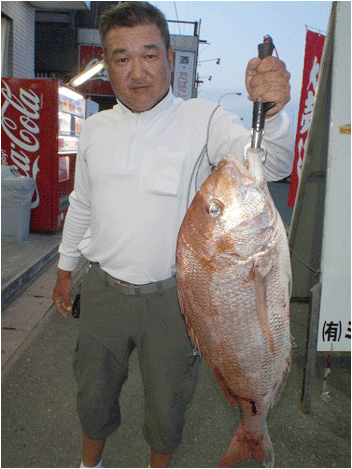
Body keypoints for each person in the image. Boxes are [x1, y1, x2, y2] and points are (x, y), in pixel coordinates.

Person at [52, 2, 293, 468]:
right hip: (102, 289)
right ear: (107, 65)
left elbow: (268, 165)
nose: (137, 71)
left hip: (176, 299)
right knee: (92, 396)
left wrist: (275, 113)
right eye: (121, 58)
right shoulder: (97, 128)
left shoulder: (203, 119)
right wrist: (65, 271)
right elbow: (82, 203)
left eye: (149, 54)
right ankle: (88, 465)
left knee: (168, 405)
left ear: (169, 58)